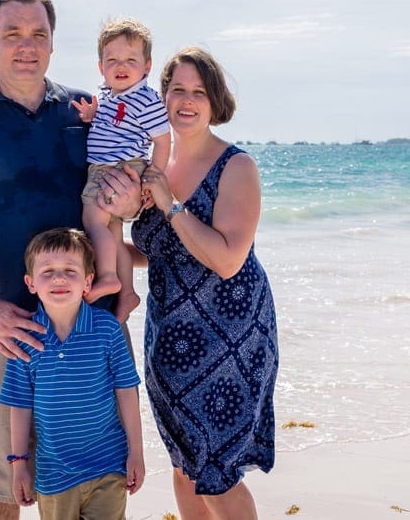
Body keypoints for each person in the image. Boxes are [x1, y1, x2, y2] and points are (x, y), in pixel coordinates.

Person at [0, 0, 142, 519]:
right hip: (8, 334)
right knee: (3, 487)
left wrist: (135, 202)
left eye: (38, 34)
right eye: (13, 33)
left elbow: (123, 197)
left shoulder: (87, 109)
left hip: (93, 330)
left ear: (52, 44)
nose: (26, 45)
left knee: (96, 483)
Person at [131, 47, 279, 520]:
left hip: (229, 339)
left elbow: (227, 258)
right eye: (177, 90)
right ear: (164, 96)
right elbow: (152, 253)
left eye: (199, 92)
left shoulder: (237, 167)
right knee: (183, 464)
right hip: (169, 339)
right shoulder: (154, 164)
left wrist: (171, 205)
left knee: (216, 471)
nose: (187, 101)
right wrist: (103, 229)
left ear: (215, 102)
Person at [0, 227, 145, 519]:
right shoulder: (25, 338)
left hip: (109, 465)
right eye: (48, 271)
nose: (59, 278)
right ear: (30, 283)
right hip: (55, 475)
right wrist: (19, 466)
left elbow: (127, 393)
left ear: (88, 281)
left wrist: (136, 453)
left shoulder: (107, 329)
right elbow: (20, 406)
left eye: (70, 270)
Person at [71, 18, 170, 321]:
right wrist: (91, 115)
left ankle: (107, 278)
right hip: (111, 167)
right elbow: (110, 125)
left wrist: (153, 179)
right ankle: (126, 292)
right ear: (101, 66)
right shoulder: (110, 95)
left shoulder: (146, 98)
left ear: (147, 65)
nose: (121, 66)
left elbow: (163, 141)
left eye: (130, 59)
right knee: (112, 233)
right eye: (112, 60)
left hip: (115, 168)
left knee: (93, 223)